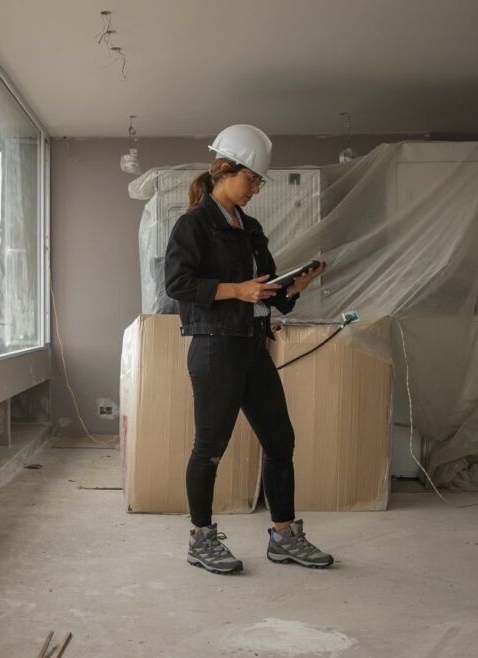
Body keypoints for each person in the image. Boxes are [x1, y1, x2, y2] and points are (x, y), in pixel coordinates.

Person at [164, 124, 332, 574]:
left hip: (254, 347)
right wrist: (236, 291)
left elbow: (267, 292)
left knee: (281, 441)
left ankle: (283, 536)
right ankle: (201, 539)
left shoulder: (251, 228)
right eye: (251, 178)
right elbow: (177, 285)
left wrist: (295, 285)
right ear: (224, 170)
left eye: (260, 180)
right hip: (216, 348)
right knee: (210, 447)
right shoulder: (193, 224)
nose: (256, 187)